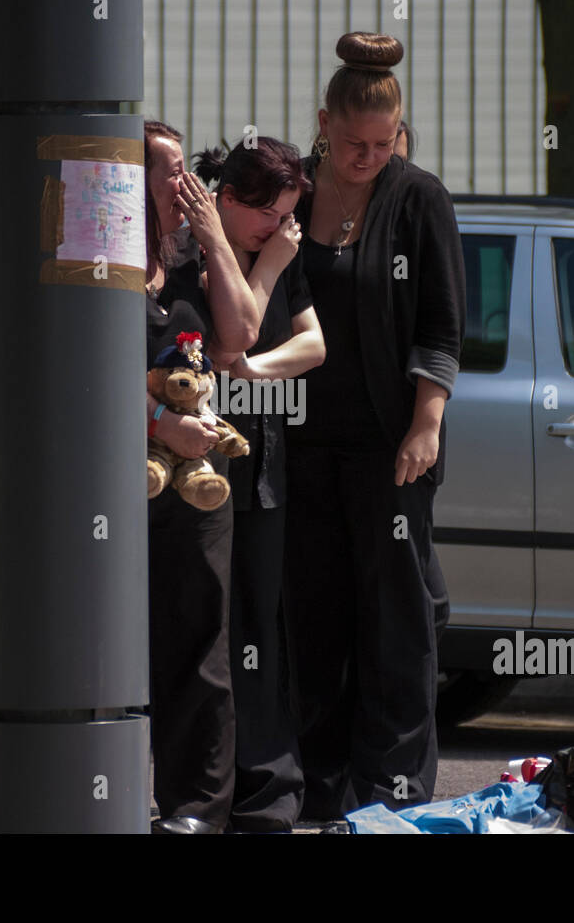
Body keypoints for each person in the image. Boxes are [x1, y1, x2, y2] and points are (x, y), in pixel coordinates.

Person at [282, 32, 466, 820]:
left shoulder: (418, 197)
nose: (367, 156)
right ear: (323, 123)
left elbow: (441, 325)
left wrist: (426, 425)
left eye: (382, 143)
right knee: (313, 621)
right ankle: (319, 791)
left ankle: (392, 794)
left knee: (396, 627)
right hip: (298, 444)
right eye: (353, 142)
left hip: (389, 446)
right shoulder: (289, 190)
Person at [192, 139, 321, 833]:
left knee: (260, 629)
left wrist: (250, 374)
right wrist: (267, 268)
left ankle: (269, 790)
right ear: (229, 201)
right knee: (212, 627)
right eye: (268, 216)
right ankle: (210, 785)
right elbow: (227, 336)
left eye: (289, 217)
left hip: (262, 467)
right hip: (204, 466)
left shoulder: (278, 251)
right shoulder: (201, 251)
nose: (280, 230)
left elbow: (313, 345)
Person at [142, 120, 262, 833]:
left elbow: (240, 337)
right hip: (129, 479)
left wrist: (214, 235)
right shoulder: (100, 263)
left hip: (198, 487)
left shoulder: (189, 263)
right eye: (167, 170)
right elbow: (82, 372)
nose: (182, 183)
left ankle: (195, 810)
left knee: (201, 643)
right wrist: (159, 427)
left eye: (188, 169)